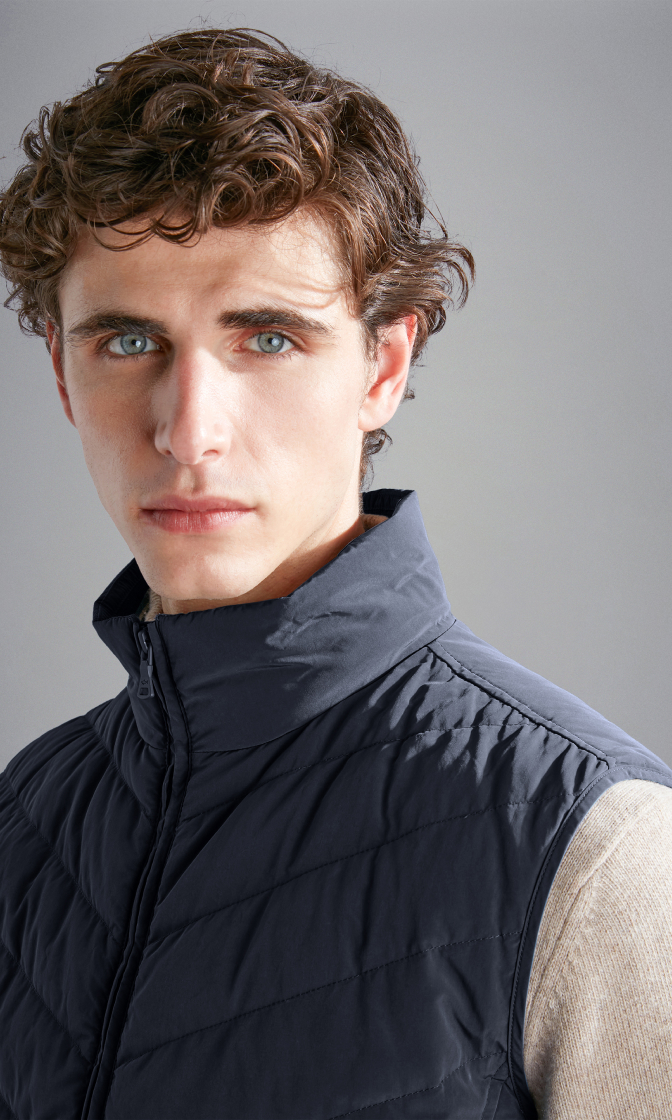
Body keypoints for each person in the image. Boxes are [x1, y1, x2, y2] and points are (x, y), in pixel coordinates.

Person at [0, 27, 671, 1120]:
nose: (188, 431)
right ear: (63, 375)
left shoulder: (596, 849)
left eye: (267, 339)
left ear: (382, 366)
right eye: (126, 342)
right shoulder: (25, 822)